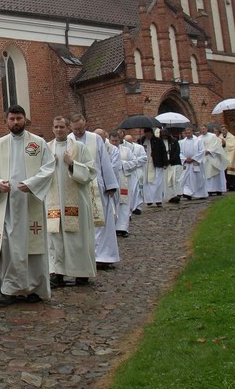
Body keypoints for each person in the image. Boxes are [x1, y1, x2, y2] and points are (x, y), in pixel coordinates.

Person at [0, 105, 54, 304]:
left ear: (25, 119)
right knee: (7, 248)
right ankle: (9, 290)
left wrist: (32, 184)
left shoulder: (38, 143)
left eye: (19, 118)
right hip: (7, 206)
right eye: (12, 119)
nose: (16, 122)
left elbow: (48, 168)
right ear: (6, 120)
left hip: (30, 202)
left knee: (33, 248)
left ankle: (33, 288)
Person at [20, 116, 97, 287]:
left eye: (62, 126)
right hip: (53, 201)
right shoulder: (46, 149)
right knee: (55, 238)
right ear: (52, 128)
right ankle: (58, 273)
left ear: (68, 128)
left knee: (77, 237)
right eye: (56, 127)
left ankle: (81, 273)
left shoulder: (79, 147)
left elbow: (91, 172)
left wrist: (72, 164)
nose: (59, 130)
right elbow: (37, 173)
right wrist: (49, 165)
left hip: (76, 200)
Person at [70, 115, 117, 267]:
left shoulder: (95, 139)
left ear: (86, 124)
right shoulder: (68, 140)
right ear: (71, 126)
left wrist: (111, 184)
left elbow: (104, 161)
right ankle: (83, 256)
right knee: (80, 222)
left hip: (96, 184)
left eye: (81, 129)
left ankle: (103, 256)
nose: (78, 132)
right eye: (75, 129)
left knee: (101, 222)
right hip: (75, 185)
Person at [110, 130, 146, 237]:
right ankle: (112, 227)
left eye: (116, 141)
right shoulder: (107, 151)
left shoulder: (126, 151)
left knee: (124, 203)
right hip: (111, 181)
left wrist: (123, 164)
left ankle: (122, 227)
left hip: (124, 179)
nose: (114, 143)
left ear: (119, 140)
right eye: (112, 141)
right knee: (112, 204)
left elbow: (135, 162)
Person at [139, 126, 169, 208]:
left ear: (151, 133)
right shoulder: (142, 140)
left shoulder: (158, 141)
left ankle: (158, 200)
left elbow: (163, 152)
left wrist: (165, 162)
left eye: (148, 134)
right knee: (147, 182)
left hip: (156, 163)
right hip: (146, 164)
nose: (147, 136)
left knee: (157, 182)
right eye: (146, 134)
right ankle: (149, 200)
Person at [178, 126, 207, 200]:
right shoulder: (182, 142)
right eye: (186, 133)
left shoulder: (198, 141)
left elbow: (202, 151)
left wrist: (193, 159)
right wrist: (185, 159)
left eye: (189, 132)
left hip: (195, 163)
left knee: (197, 178)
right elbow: (180, 152)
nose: (187, 134)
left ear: (192, 132)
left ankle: (200, 194)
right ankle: (188, 193)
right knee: (186, 179)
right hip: (187, 163)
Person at [201, 124, 226, 196]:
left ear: (206, 129)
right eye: (201, 129)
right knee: (207, 173)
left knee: (215, 172)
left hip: (213, 156)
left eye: (204, 128)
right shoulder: (199, 138)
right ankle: (209, 189)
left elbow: (216, 145)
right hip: (204, 157)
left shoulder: (213, 136)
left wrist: (209, 151)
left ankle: (218, 189)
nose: (203, 130)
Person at [221, 124, 235, 191]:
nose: (223, 131)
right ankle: (227, 185)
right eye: (222, 130)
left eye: (224, 130)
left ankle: (233, 185)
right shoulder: (220, 137)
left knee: (231, 169)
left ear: (227, 130)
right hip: (224, 156)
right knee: (225, 171)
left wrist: (225, 144)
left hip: (231, 156)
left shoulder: (232, 137)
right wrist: (222, 144)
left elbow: (234, 146)